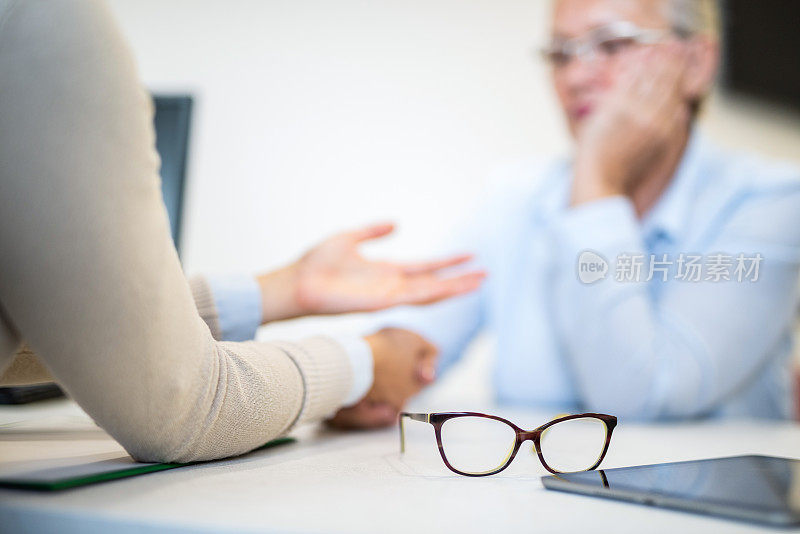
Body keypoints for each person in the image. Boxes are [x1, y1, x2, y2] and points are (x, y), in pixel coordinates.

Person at [0, 0, 485, 463]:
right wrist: (367, 362)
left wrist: (279, 291)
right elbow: (183, 405)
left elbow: (51, 323)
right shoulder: (41, 19)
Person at [351, 0, 800, 423]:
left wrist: (596, 183)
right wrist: (350, 375)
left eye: (612, 44)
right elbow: (414, 341)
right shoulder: (514, 195)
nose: (576, 77)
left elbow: (642, 397)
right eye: (560, 53)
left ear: (697, 62)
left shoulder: (772, 199)